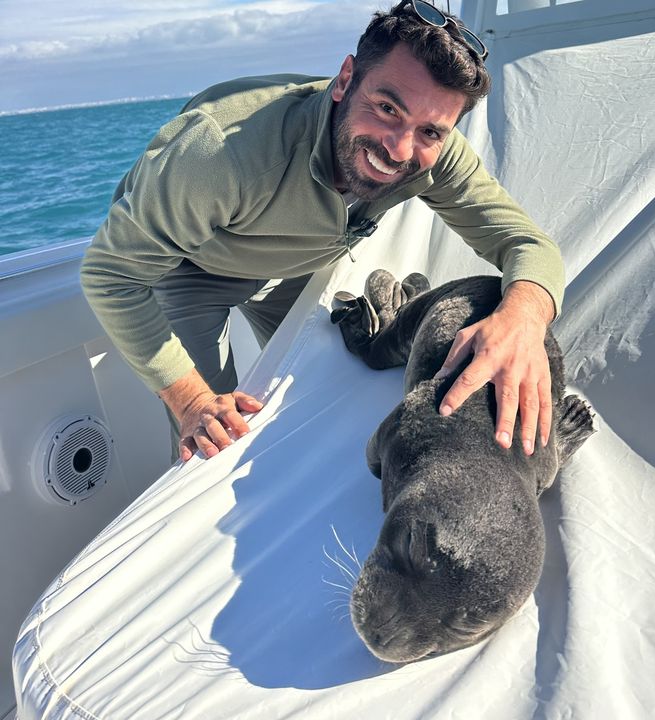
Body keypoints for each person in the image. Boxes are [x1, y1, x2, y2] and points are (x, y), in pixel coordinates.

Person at [81, 0, 565, 464]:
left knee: (323, 391)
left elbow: (526, 243)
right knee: (210, 438)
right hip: (191, 269)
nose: (399, 149)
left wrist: (523, 318)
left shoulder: (434, 153)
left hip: (295, 267)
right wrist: (189, 402)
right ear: (345, 79)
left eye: (430, 132)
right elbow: (111, 274)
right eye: (387, 108)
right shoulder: (220, 153)